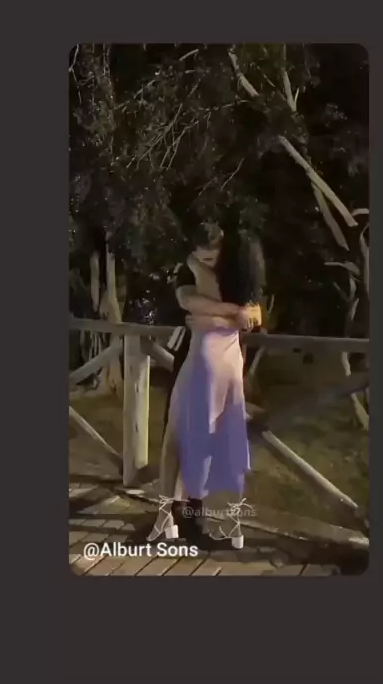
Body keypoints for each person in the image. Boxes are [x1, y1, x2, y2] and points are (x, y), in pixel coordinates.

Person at [148, 226, 265, 549]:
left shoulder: (233, 273)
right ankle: (176, 512)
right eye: (200, 258)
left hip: (215, 359)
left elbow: (255, 314)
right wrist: (233, 314)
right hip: (194, 355)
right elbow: (187, 301)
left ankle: (192, 513)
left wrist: (221, 318)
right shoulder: (192, 270)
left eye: (210, 258)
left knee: (203, 436)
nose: (205, 262)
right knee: (182, 434)